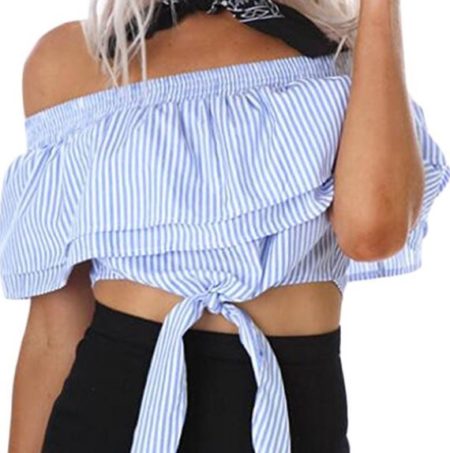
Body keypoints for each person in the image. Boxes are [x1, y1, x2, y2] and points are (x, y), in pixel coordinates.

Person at [2, 0, 449, 452]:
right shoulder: (72, 60)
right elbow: (52, 333)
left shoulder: (343, 56)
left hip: (288, 422)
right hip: (108, 420)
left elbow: (373, 233)